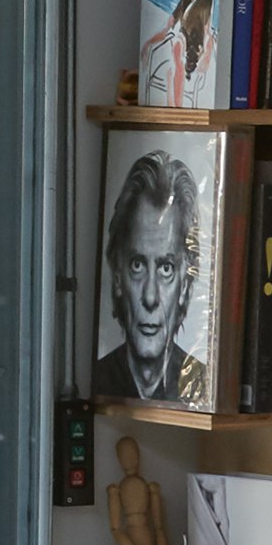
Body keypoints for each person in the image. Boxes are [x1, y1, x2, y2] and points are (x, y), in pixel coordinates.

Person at [98, 145, 211, 411]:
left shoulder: (203, 387)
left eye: (166, 269)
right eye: (137, 265)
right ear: (117, 276)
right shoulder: (99, 382)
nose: (150, 296)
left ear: (185, 282)